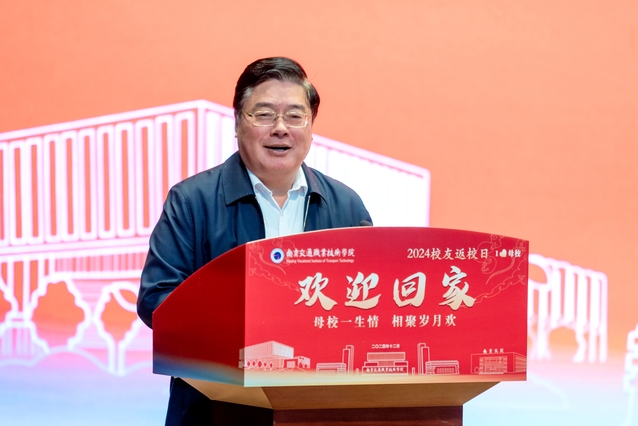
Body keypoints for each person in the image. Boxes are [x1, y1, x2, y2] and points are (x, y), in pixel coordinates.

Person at [137, 57, 372, 425]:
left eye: (295, 116)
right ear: (237, 123)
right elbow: (157, 300)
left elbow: (369, 306)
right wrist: (251, 330)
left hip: (318, 409)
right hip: (215, 408)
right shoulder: (192, 201)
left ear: (311, 127)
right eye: (264, 115)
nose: (280, 129)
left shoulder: (346, 206)